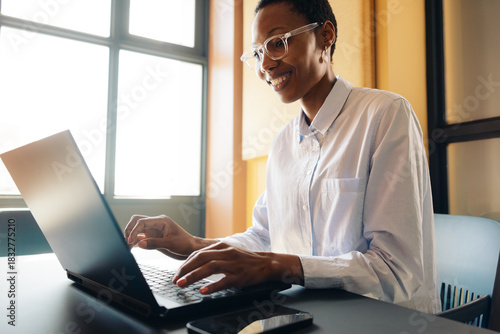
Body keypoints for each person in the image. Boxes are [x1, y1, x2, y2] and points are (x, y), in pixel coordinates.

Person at [125, 0, 441, 314]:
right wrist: (193, 245)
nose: (265, 65)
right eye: (259, 53)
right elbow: (264, 237)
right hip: (309, 314)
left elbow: (398, 271)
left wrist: (278, 266)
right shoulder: (282, 144)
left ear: (325, 36)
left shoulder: (384, 115)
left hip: (385, 319)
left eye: (277, 44)